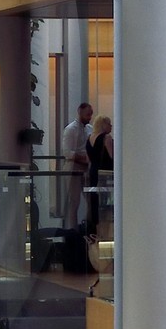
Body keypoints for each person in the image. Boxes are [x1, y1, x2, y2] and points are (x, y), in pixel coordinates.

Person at [59, 99, 93, 229]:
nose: (89, 117)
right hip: (73, 167)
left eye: (91, 114)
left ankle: (88, 228)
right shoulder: (70, 129)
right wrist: (83, 158)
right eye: (87, 114)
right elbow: (67, 152)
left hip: (86, 167)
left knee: (90, 199)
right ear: (80, 112)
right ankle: (72, 230)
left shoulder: (90, 129)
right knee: (74, 201)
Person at [85, 114, 114, 237]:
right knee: (105, 203)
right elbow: (112, 156)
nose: (111, 126)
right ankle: (105, 234)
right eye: (109, 124)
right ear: (104, 125)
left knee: (94, 203)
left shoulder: (89, 138)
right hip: (105, 172)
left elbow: (88, 159)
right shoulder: (106, 138)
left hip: (93, 172)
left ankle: (96, 232)